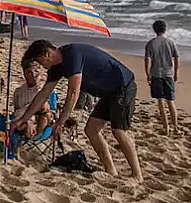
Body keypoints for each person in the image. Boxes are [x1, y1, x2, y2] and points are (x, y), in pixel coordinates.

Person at [17, 40, 143, 180]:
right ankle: (110, 170)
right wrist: (24, 118)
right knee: (91, 129)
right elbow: (43, 95)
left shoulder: (72, 54)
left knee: (119, 131)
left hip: (123, 87)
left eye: (39, 61)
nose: (40, 66)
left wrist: (60, 121)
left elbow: (73, 92)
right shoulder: (55, 68)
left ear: (47, 54)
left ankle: (137, 175)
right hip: (108, 94)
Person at [145, 20, 180, 133]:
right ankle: (175, 126)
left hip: (156, 74)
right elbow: (177, 58)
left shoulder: (151, 43)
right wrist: (176, 73)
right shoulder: (171, 42)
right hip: (168, 74)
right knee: (170, 101)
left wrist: (147, 74)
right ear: (165, 29)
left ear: (155, 30)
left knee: (160, 101)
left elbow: (147, 60)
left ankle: (166, 127)